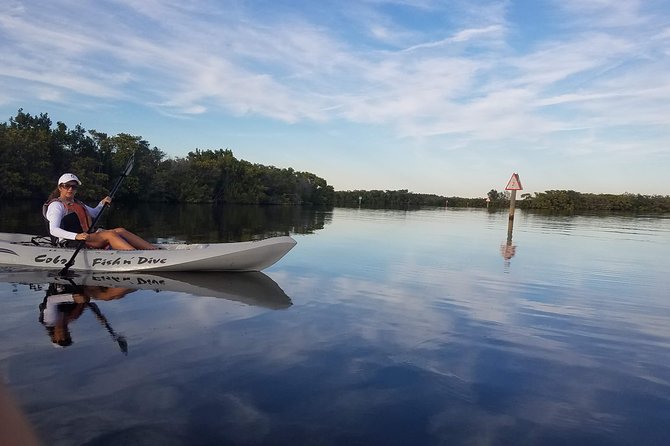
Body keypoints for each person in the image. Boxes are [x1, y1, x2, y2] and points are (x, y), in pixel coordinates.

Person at [44, 173, 157, 250]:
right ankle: (137, 257)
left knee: (120, 231)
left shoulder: (77, 203)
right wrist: (76, 236)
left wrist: (102, 204)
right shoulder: (56, 206)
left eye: (74, 187)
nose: (70, 189)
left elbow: (94, 213)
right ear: (60, 187)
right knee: (109, 234)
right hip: (70, 242)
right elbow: (54, 230)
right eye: (67, 186)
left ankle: (153, 250)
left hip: (86, 237)